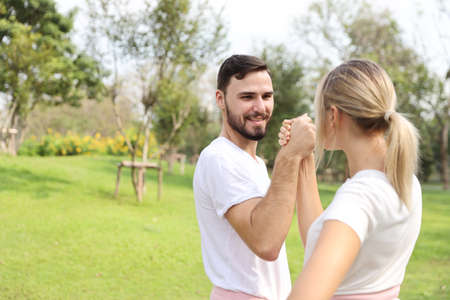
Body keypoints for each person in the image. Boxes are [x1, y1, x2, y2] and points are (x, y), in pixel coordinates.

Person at [279, 59, 422, 300]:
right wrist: (302, 156)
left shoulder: (359, 198)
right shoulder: (404, 179)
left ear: (333, 115)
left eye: (320, 112)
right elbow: (320, 242)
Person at [193, 54, 315, 300]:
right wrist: (289, 156)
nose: (260, 107)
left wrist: (303, 156)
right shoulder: (219, 158)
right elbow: (266, 243)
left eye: (267, 96)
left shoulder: (255, 164)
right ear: (221, 99)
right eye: (247, 97)